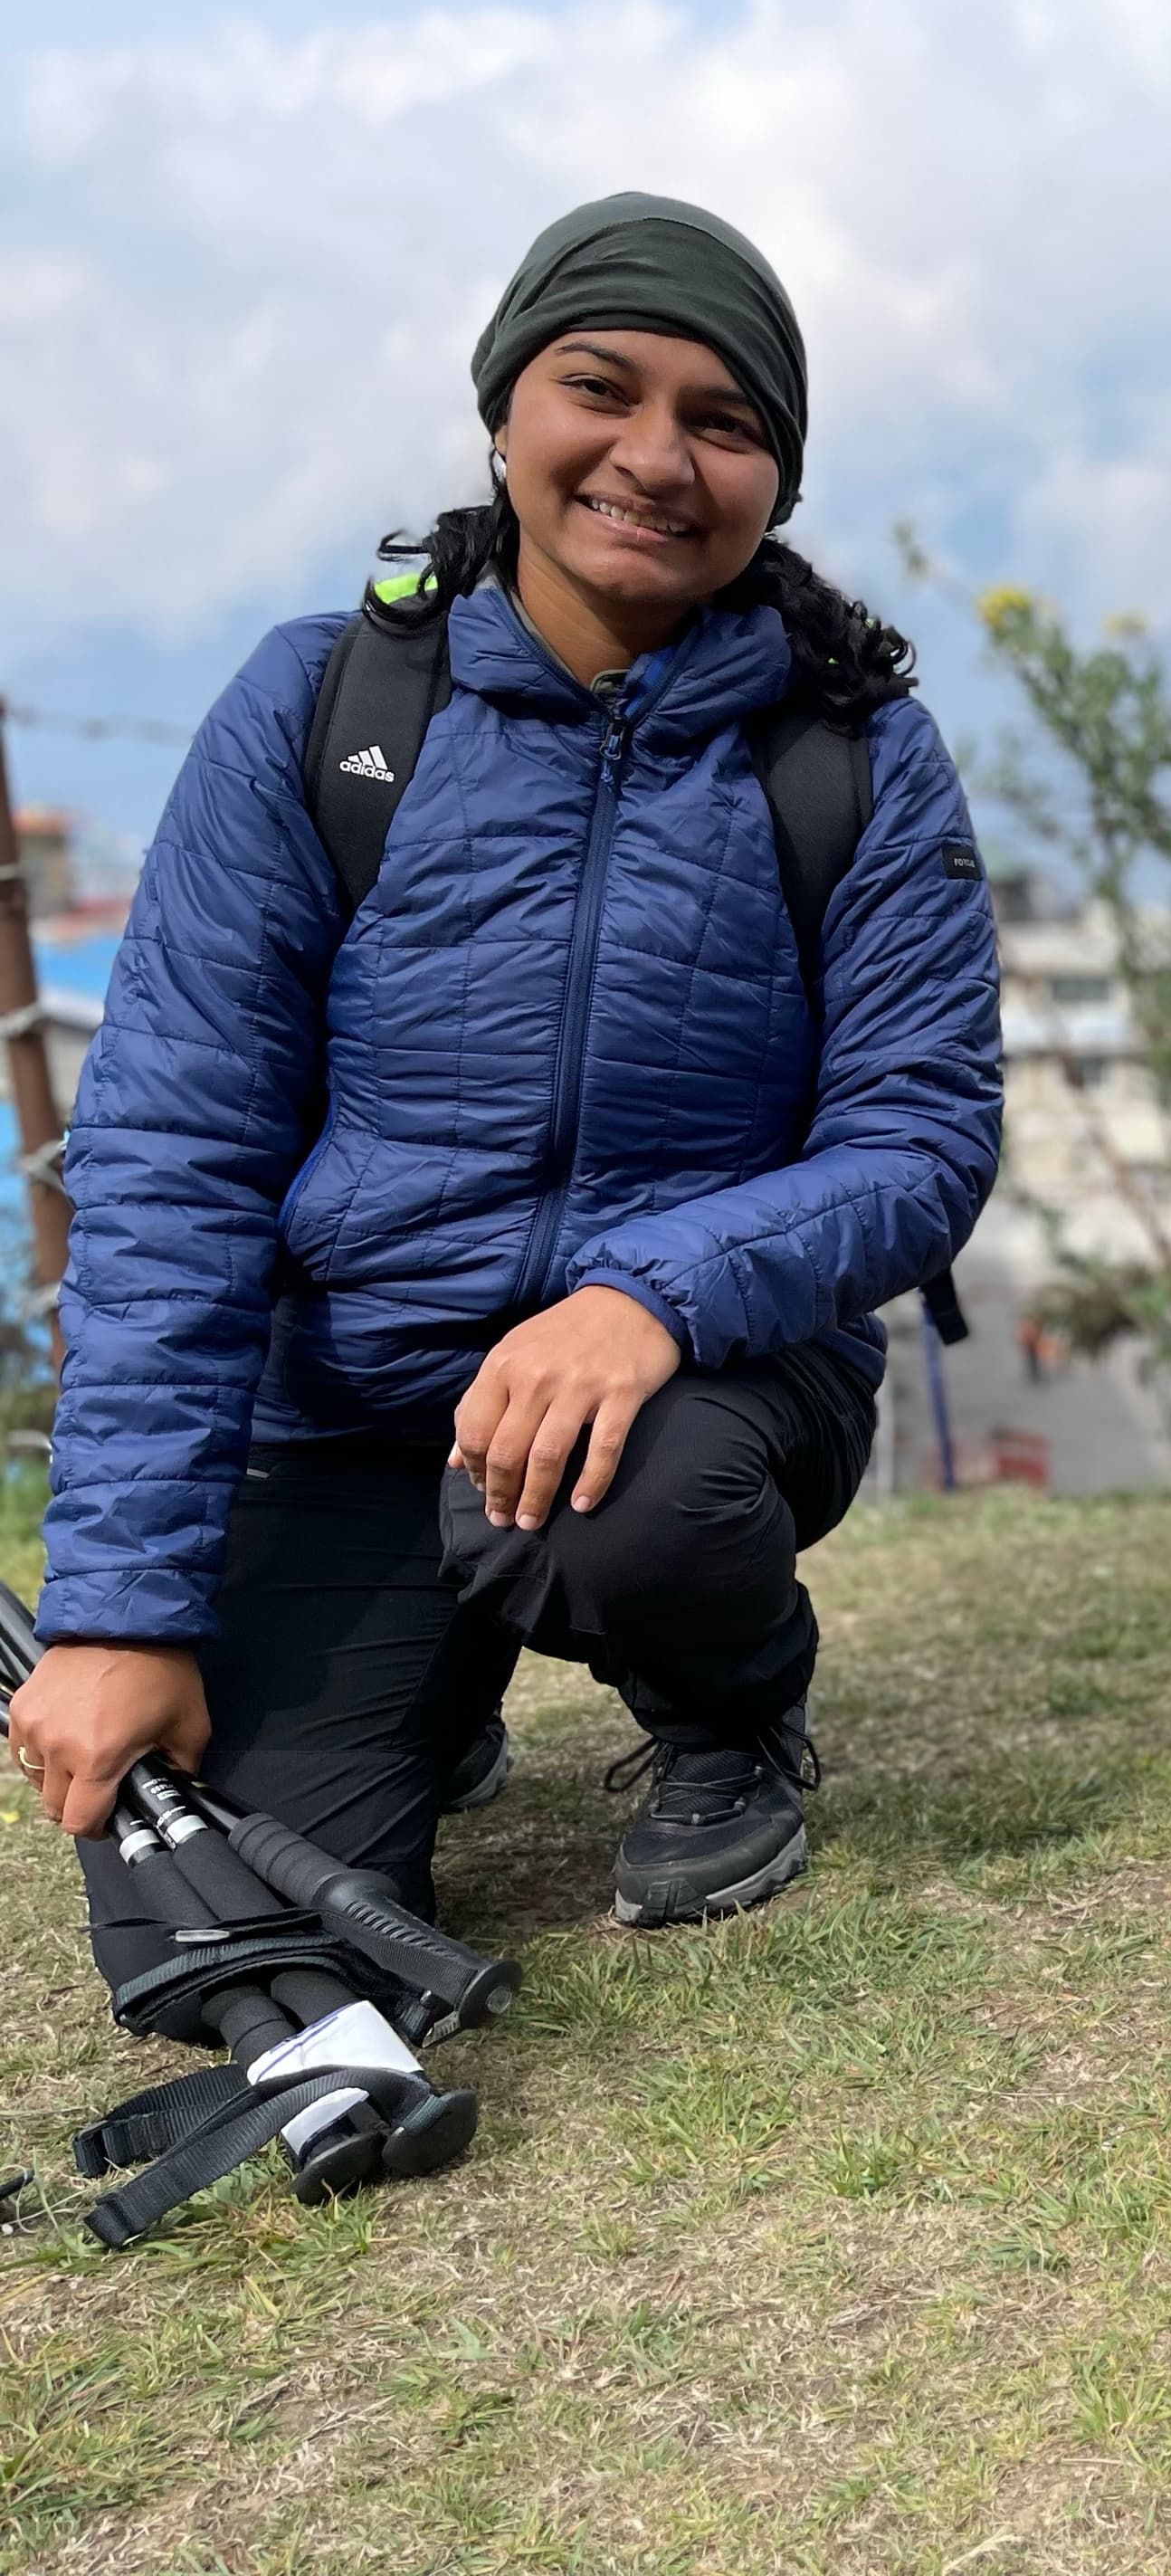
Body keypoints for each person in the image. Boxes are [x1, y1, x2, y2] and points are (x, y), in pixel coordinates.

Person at [8, 193, 1003, 1965]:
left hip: (686, 1398)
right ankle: (422, 1682)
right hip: (351, 1405)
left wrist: (650, 1295)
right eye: (599, 390)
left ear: (778, 474)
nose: (655, 456)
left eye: (725, 422)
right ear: (503, 408)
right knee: (228, 1949)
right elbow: (171, 1165)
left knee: (614, 1514)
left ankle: (733, 1712)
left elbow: (922, 1139)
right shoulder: (324, 707)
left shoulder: (849, 754)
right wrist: (120, 1612)